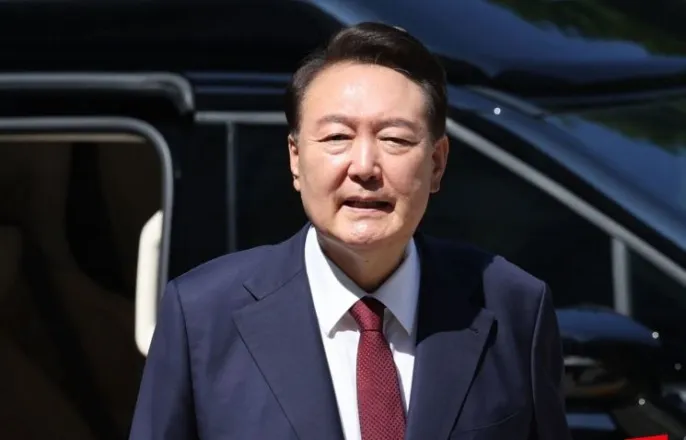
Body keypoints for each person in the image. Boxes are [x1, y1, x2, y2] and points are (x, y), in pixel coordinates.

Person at [129, 22, 572, 440]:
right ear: (295, 158)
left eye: (395, 139)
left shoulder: (513, 306)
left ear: (437, 163)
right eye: (337, 137)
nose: (364, 167)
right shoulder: (202, 314)